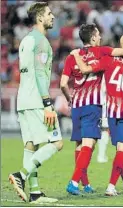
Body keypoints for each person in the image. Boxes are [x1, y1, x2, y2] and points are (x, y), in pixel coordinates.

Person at [60, 24, 123, 195]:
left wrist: (69, 98)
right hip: (110, 107)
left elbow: (64, 82)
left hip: (84, 106)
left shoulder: (82, 57)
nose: (100, 37)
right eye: (98, 34)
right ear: (92, 38)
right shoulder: (104, 53)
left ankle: (93, 184)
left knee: (80, 145)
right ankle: (84, 183)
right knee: (109, 147)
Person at [9, 2, 63, 203]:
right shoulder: (41, 42)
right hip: (37, 101)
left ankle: (35, 192)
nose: (52, 17)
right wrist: (48, 104)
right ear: (40, 18)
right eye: (49, 14)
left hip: (23, 99)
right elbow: (40, 74)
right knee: (57, 143)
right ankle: (20, 176)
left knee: (31, 145)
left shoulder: (25, 40)